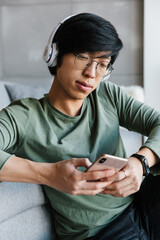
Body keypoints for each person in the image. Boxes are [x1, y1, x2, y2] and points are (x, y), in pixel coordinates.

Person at [0, 12, 160, 240]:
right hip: (100, 233)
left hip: (142, 204)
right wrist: (50, 174)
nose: (91, 74)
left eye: (102, 64)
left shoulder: (107, 94)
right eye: (82, 58)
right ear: (54, 55)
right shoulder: (23, 117)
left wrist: (140, 163)